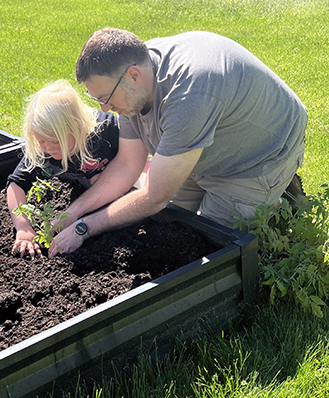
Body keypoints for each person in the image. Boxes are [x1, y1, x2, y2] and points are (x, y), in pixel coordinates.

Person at [48, 28, 308, 257]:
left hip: (260, 154)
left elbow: (155, 197)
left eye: (106, 98)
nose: (106, 108)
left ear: (134, 75)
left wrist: (84, 228)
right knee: (170, 225)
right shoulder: (130, 84)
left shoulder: (187, 95)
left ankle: (281, 193)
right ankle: (260, 195)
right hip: (202, 142)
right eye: (98, 100)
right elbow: (128, 163)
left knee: (210, 245)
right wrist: (73, 212)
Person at [7, 80, 119, 259]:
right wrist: (23, 227)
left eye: (55, 141)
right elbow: (16, 185)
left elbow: (133, 157)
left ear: (77, 127)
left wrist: (107, 175)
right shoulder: (42, 151)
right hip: (83, 195)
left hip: (116, 197)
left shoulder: (106, 131)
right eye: (41, 141)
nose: (49, 148)